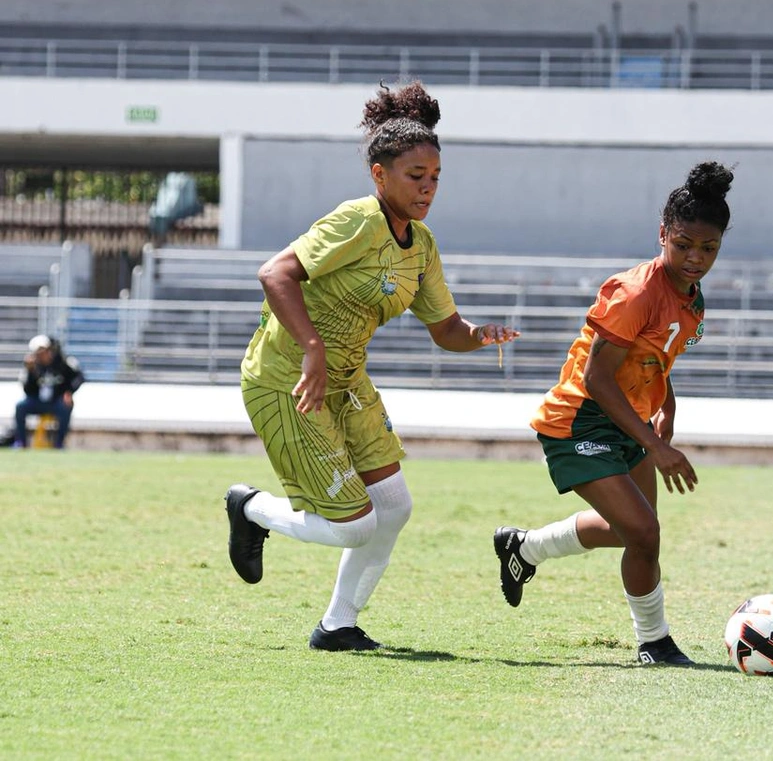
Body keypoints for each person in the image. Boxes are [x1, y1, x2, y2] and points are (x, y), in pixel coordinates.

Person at [224, 80, 519, 652]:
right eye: (416, 177)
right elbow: (274, 273)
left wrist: (481, 336)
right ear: (379, 175)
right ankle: (252, 509)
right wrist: (312, 348)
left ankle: (338, 625)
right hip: (287, 378)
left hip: (347, 380)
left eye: (435, 178)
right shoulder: (357, 221)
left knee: (394, 506)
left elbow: (446, 331)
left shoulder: (423, 245)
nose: (428, 188)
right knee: (354, 523)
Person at [493, 161, 735, 666]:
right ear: (662, 234)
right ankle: (655, 643)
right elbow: (597, 379)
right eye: (684, 244)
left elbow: (658, 362)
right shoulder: (636, 292)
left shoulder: (692, 299)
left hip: (628, 420)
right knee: (645, 534)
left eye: (708, 249)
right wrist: (657, 447)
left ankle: (524, 548)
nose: (695, 258)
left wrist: (667, 409)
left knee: (631, 531)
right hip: (579, 420)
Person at [12, 335, 85, 449]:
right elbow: (27, 390)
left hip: (56, 402)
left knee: (66, 406)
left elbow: (79, 378)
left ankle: (59, 443)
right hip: (38, 402)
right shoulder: (31, 367)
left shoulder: (63, 363)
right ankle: (21, 442)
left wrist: (69, 392)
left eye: (44, 351)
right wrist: (31, 372)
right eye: (39, 353)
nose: (42, 355)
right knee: (20, 406)